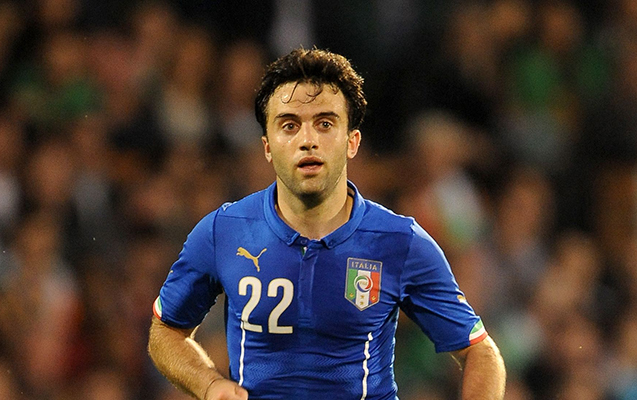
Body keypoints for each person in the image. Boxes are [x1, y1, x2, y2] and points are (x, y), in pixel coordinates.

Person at [147, 47, 506, 400]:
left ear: (352, 142)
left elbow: (479, 351)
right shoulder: (223, 230)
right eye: (289, 125)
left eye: (325, 124)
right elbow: (166, 331)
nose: (308, 141)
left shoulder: (400, 241)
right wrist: (209, 384)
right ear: (267, 146)